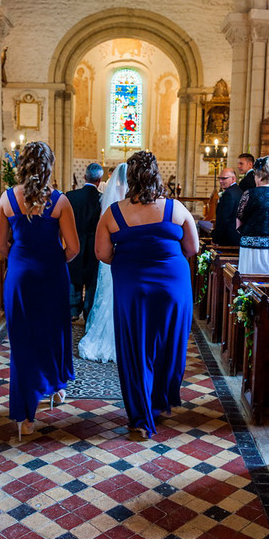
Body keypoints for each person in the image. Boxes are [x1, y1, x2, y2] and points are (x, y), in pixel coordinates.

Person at [95, 151, 198, 440]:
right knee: (169, 344)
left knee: (135, 348)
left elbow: (102, 253)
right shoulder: (176, 209)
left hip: (132, 285)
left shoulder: (113, 213)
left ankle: (140, 417)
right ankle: (159, 402)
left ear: (129, 178)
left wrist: (131, 257)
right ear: (156, 174)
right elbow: (193, 249)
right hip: (172, 286)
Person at [0, 141, 79, 438]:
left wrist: (22, 259)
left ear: (21, 165)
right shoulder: (60, 202)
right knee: (53, 334)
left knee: (22, 343)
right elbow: (74, 248)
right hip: (52, 276)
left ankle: (26, 418)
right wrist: (52, 261)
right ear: (49, 167)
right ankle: (55, 388)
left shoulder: (6, 200)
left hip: (19, 278)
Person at [78, 163, 128, 363]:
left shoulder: (109, 197)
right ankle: (126, 337)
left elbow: (102, 226)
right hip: (127, 255)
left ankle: (106, 335)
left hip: (112, 254)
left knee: (108, 294)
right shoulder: (135, 199)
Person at [66, 162, 103, 320]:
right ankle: (88, 313)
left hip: (74, 242)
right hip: (94, 246)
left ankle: (73, 311)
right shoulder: (102, 199)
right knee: (91, 282)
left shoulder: (70, 196)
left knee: (74, 277)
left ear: (84, 176)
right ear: (99, 180)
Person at [211, 168, 242, 246]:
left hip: (228, 238)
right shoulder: (239, 191)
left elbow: (223, 219)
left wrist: (215, 239)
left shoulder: (229, 194)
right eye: (219, 178)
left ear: (233, 179)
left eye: (224, 178)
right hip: (237, 236)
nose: (220, 181)